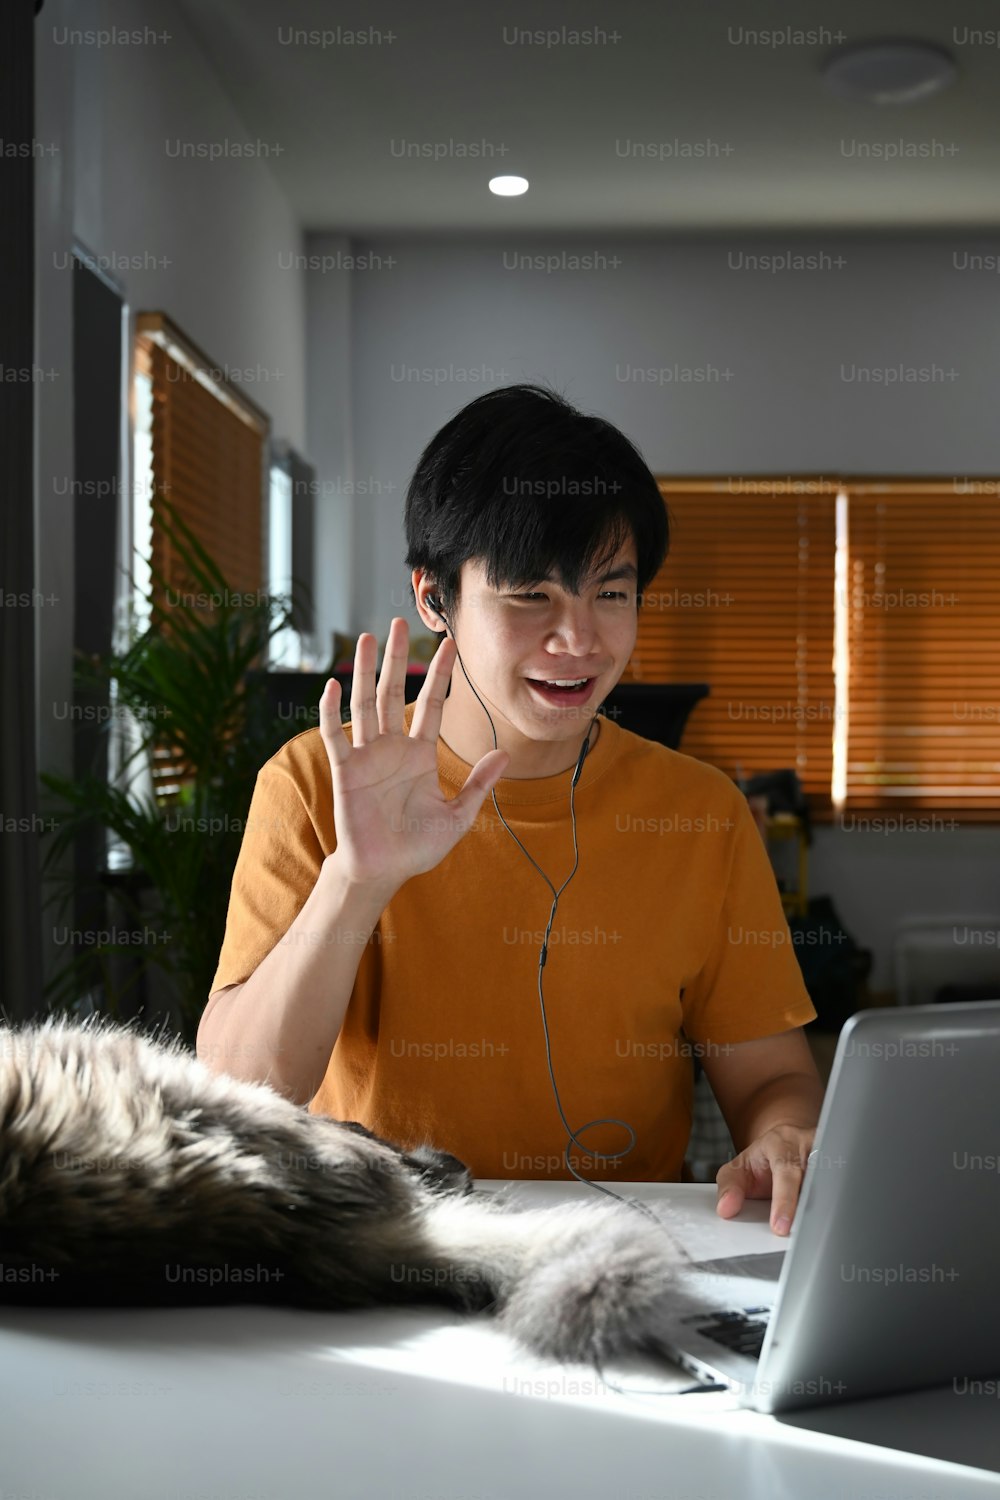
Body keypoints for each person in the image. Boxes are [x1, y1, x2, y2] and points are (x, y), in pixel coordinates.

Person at [197, 384, 824, 1236]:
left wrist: (784, 1137)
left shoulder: (699, 813)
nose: (580, 640)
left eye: (611, 592)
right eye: (531, 595)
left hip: (626, 1254)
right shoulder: (314, 785)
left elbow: (769, 1080)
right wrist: (357, 879)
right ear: (434, 597)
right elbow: (246, 1094)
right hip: (383, 1250)